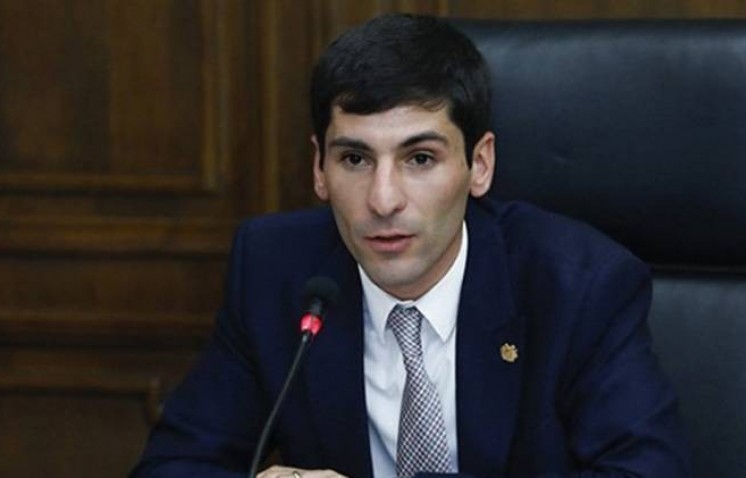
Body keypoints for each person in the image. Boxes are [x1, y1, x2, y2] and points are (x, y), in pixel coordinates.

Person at [131, 13, 689, 478]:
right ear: (319, 169)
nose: (383, 199)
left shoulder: (578, 285)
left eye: (420, 159)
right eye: (355, 159)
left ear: (479, 164)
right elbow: (174, 464)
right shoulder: (275, 271)